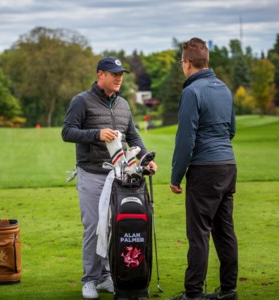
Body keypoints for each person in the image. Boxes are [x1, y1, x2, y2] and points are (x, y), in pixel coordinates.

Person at [62, 56, 157, 299]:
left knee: (112, 227)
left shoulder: (124, 104)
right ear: (100, 75)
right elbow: (67, 132)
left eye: (121, 74)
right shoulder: (81, 101)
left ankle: (107, 276)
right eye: (114, 74)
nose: (119, 78)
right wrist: (97, 134)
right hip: (91, 173)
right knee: (94, 227)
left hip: (118, 176)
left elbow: (132, 137)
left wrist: (146, 158)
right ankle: (90, 279)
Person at [169, 38, 238, 300]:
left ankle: (193, 293)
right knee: (225, 230)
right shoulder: (223, 88)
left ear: (186, 63)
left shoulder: (191, 92)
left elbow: (186, 139)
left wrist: (176, 176)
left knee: (198, 233)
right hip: (228, 166)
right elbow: (231, 130)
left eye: (181, 62)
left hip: (205, 169)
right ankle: (229, 291)